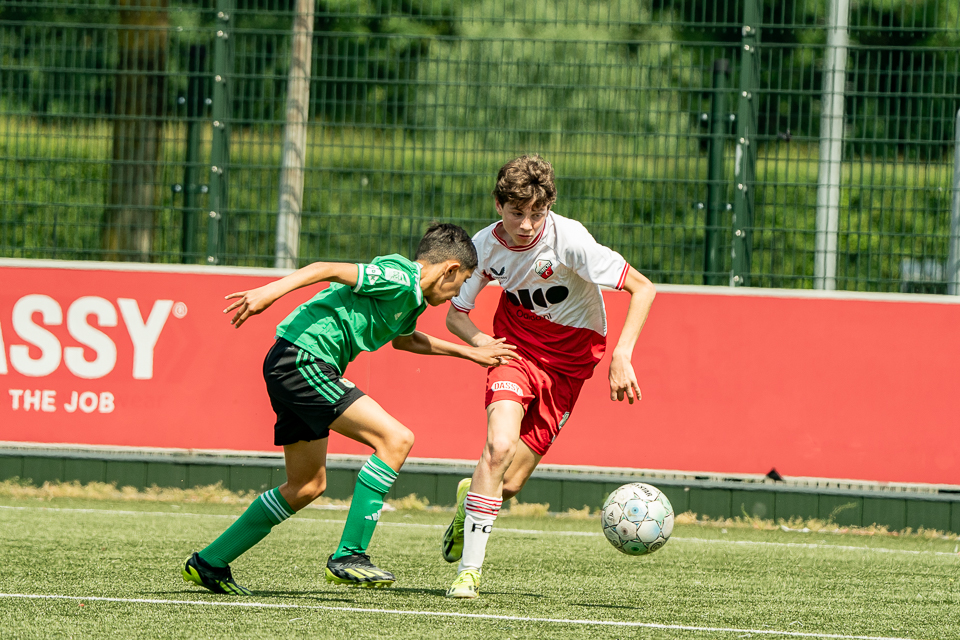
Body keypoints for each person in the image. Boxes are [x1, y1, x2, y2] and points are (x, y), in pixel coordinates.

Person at [181, 223, 517, 595]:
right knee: (396, 439)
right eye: (463, 281)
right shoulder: (399, 276)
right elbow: (326, 267)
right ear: (450, 269)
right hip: (303, 359)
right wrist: (270, 291)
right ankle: (349, 555)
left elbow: (406, 340)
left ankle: (210, 562)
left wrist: (470, 352)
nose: (460, 291)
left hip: (295, 363)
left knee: (306, 486)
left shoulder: (412, 301)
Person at [440, 155, 657, 599]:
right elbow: (456, 314)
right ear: (498, 204)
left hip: (570, 365)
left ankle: (470, 500)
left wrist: (623, 354)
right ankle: (468, 573)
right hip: (514, 349)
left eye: (536, 213)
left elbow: (643, 287)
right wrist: (483, 342)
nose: (526, 224)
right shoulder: (482, 247)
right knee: (497, 447)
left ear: (549, 206)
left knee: (511, 482)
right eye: (517, 212)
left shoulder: (570, 240)